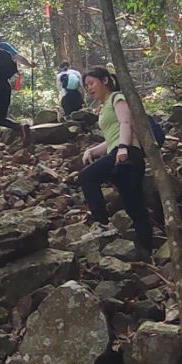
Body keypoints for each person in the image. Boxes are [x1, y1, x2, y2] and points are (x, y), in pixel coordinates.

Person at [78, 67, 153, 253]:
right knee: (133, 205)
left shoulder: (117, 98)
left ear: (105, 80)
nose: (89, 89)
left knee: (87, 177)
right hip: (119, 153)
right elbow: (112, 138)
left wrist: (122, 148)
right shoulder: (103, 109)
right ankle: (147, 249)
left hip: (128, 154)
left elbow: (125, 124)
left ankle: (102, 223)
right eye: (86, 86)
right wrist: (93, 151)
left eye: (92, 83)